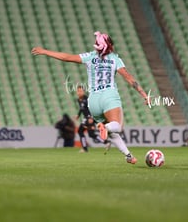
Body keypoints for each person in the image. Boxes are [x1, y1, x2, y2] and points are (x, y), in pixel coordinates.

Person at [32, 31, 150, 164]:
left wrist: (45, 51)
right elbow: (129, 78)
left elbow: (67, 57)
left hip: (93, 101)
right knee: (116, 126)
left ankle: (128, 155)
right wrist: (144, 94)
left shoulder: (90, 56)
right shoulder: (115, 59)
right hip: (108, 95)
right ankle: (106, 128)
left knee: (111, 131)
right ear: (110, 45)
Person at [75, 85, 111, 153]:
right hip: (87, 118)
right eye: (78, 91)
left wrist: (90, 117)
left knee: (80, 131)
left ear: (83, 92)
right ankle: (106, 142)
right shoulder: (79, 100)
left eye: (80, 91)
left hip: (90, 118)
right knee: (91, 134)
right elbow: (81, 109)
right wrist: (78, 115)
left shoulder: (87, 99)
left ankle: (85, 148)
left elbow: (91, 108)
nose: (79, 92)